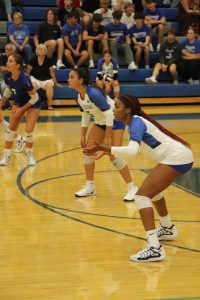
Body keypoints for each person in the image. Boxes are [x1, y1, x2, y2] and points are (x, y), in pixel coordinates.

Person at [84, 95, 193, 262]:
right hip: (179, 157)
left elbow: (132, 151)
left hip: (177, 157)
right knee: (153, 192)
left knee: (141, 196)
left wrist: (103, 147)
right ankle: (167, 228)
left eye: (117, 106)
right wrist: (106, 151)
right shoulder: (135, 122)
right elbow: (130, 150)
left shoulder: (137, 122)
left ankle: (155, 248)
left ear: (127, 110)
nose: (113, 109)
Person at [68, 68, 138, 201]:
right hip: (101, 123)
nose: (68, 80)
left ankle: (132, 187)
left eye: (71, 77)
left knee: (114, 155)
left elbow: (109, 114)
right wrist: (82, 135)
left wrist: (107, 138)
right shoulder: (78, 96)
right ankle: (90, 187)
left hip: (115, 121)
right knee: (87, 152)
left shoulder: (93, 93)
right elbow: (85, 115)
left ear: (81, 80)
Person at [0, 54, 41, 166]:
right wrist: (1, 103)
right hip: (19, 100)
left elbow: (35, 97)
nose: (7, 63)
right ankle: (6, 157)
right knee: (11, 129)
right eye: (8, 61)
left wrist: (22, 109)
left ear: (17, 65)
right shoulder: (8, 75)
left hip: (33, 103)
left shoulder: (24, 79)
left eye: (10, 61)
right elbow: (9, 89)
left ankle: (29, 155)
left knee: (28, 130)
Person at [27, 44, 62, 110]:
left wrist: (56, 82)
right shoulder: (33, 59)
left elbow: (52, 72)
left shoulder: (49, 60)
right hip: (35, 79)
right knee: (32, 87)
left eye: (42, 49)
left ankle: (49, 105)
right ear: (37, 51)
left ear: (45, 51)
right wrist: (27, 80)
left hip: (46, 80)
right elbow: (28, 71)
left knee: (49, 86)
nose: (41, 50)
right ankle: (32, 104)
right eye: (39, 49)